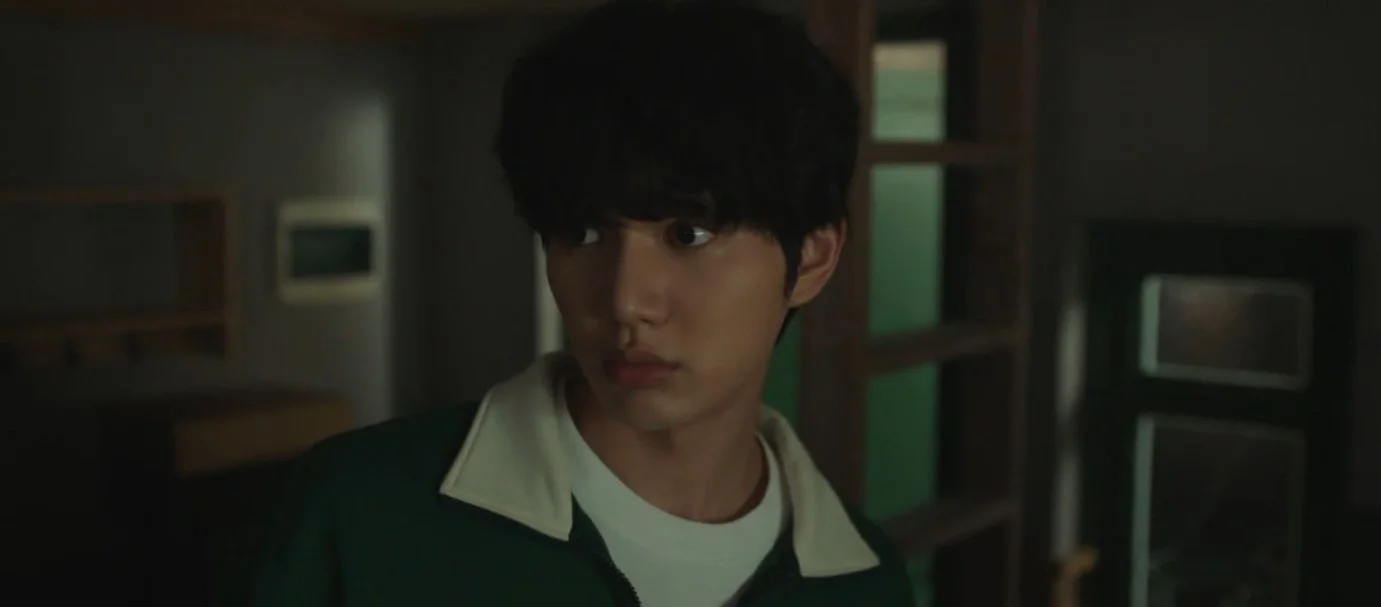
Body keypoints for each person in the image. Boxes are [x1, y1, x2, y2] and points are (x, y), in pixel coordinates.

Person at [251, 1, 914, 605]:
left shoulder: (864, 582)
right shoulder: (357, 514)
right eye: (584, 233)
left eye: (688, 234)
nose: (624, 299)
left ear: (813, 259)